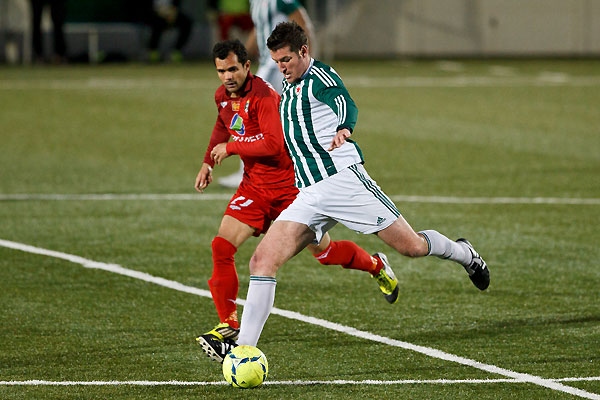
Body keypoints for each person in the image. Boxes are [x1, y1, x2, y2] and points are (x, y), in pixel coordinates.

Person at [199, 23, 490, 361]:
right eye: (277, 61)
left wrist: (344, 127)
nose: (282, 67)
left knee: (411, 247)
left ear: (304, 52)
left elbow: (344, 102)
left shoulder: (320, 78)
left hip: (344, 183)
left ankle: (465, 254)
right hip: (308, 193)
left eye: (288, 59)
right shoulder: (288, 85)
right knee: (262, 261)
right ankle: (243, 350)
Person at [194, 39, 400, 354]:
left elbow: (274, 145)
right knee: (221, 246)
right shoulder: (223, 97)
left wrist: (232, 148)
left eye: (233, 68)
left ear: (247, 67)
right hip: (254, 188)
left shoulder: (265, 97)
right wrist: (209, 160)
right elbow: (223, 127)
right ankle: (229, 326)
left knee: (325, 254)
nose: (227, 76)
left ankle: (375, 265)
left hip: (290, 188)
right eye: (221, 70)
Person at [218, 0, 315, 188]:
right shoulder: (256, 2)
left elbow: (302, 25)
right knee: (282, 118)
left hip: (279, 65)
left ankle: (248, 173)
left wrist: (303, 62)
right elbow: (260, 27)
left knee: (251, 114)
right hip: (267, 64)